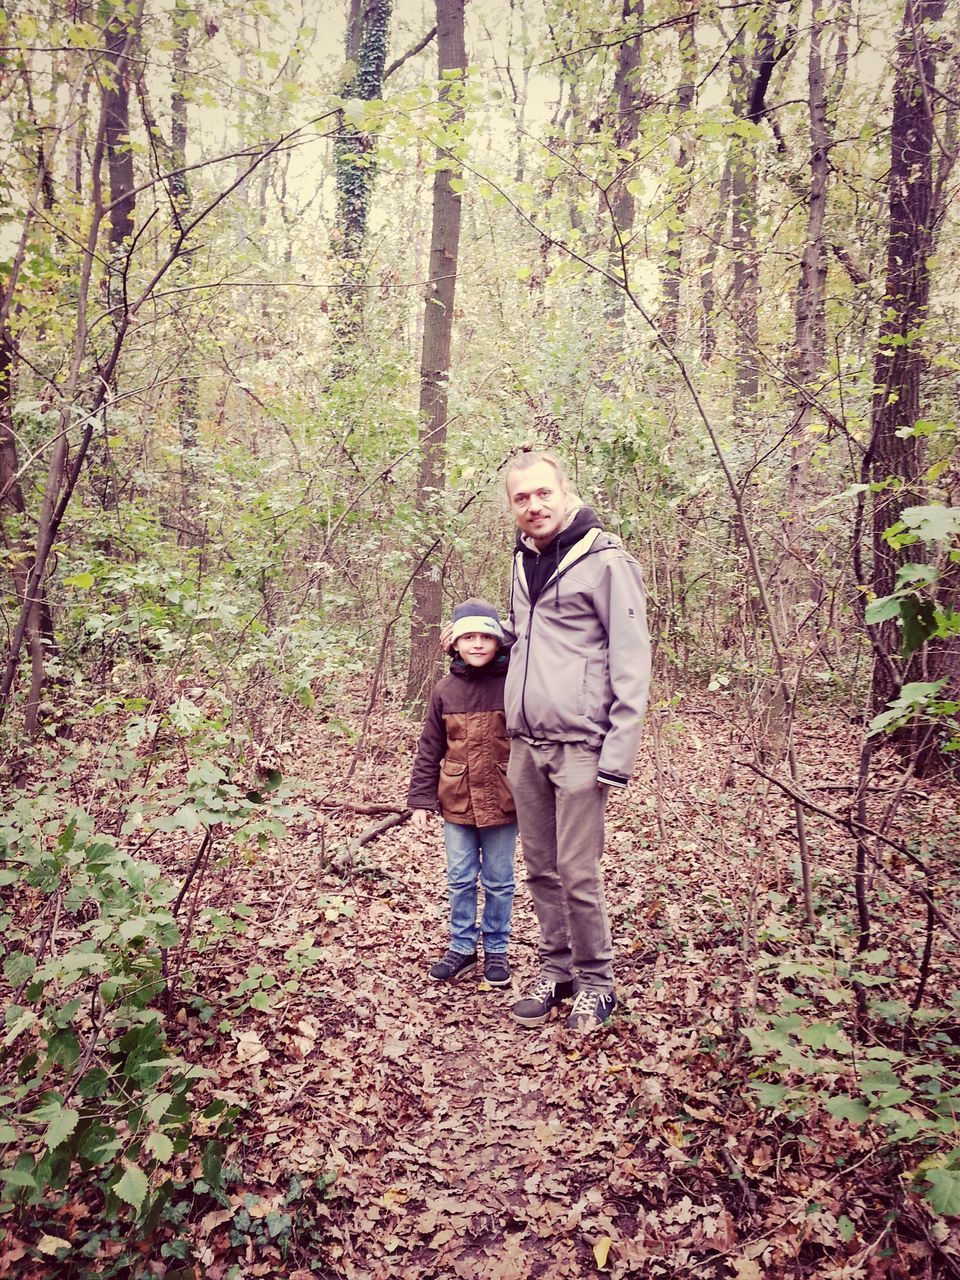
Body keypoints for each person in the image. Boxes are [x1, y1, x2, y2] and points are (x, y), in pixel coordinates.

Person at [502, 449, 651, 1033]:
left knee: (577, 871)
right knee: (539, 867)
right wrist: (478, 633)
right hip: (526, 744)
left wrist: (618, 754)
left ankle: (596, 982)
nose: (534, 506)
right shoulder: (523, 559)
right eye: (521, 498)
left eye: (543, 494)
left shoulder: (607, 562)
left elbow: (632, 661)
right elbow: (529, 636)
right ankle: (556, 969)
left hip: (583, 746)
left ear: (565, 492)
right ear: (511, 506)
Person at [408, 599, 518, 988]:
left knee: (500, 880)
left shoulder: (514, 683)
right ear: (453, 643)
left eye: (485, 637)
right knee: (459, 877)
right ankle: (462, 946)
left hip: (505, 800)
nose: (476, 644)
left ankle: (498, 950)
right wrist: (420, 800)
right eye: (467, 637)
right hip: (456, 799)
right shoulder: (444, 690)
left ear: (499, 641)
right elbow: (430, 747)